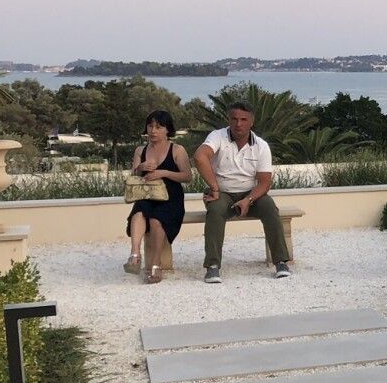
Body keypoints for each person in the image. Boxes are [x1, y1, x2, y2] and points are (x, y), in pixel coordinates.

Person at [192, 101, 292, 282]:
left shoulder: (261, 145)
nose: (238, 124)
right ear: (228, 120)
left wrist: (249, 200)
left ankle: (281, 262)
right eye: (234, 119)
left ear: (251, 122)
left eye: (244, 119)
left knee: (269, 207)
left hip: (251, 194)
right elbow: (200, 157)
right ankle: (212, 266)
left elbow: (264, 182)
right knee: (215, 211)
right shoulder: (218, 136)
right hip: (222, 192)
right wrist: (214, 188)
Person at [124, 110, 192, 284]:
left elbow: (187, 176)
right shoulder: (141, 150)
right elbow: (134, 175)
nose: (153, 131)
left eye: (158, 127)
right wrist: (140, 168)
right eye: (150, 126)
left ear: (167, 129)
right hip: (147, 195)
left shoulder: (177, 150)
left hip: (171, 197)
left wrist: (164, 173)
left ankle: (156, 264)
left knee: (156, 220)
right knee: (139, 212)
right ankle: (135, 255)